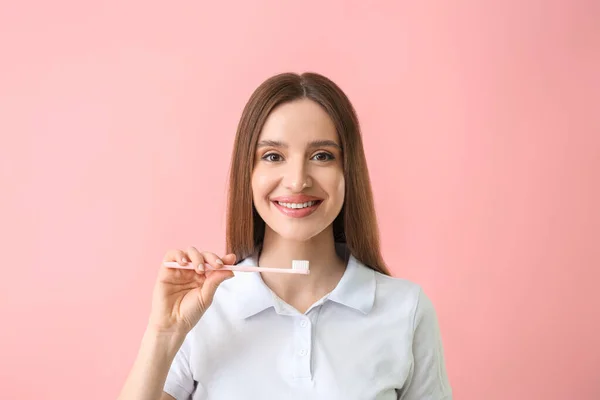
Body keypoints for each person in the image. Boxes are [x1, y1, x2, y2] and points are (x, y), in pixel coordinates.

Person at [118, 72, 452, 400]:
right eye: (273, 156)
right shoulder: (204, 310)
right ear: (247, 173)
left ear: (348, 171)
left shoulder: (405, 310)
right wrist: (164, 333)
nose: (296, 181)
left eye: (322, 156)